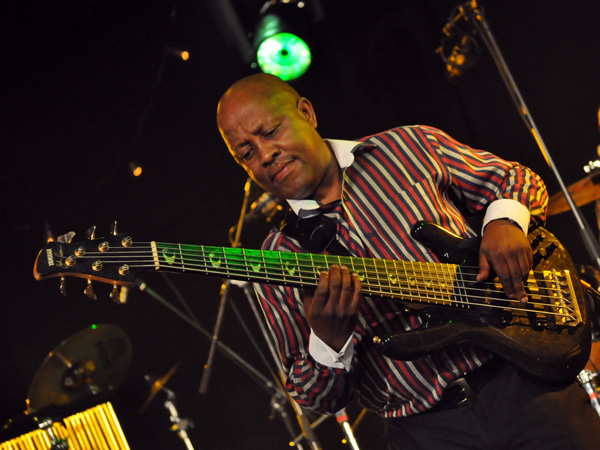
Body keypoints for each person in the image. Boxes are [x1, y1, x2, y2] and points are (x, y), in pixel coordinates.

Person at [216, 73, 600, 449]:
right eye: (247, 153)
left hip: (528, 387)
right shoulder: (276, 258)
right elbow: (312, 395)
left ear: (307, 113)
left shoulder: (408, 146)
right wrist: (328, 344)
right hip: (424, 432)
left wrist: (503, 220)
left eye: (269, 132)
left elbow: (515, 179)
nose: (265, 155)